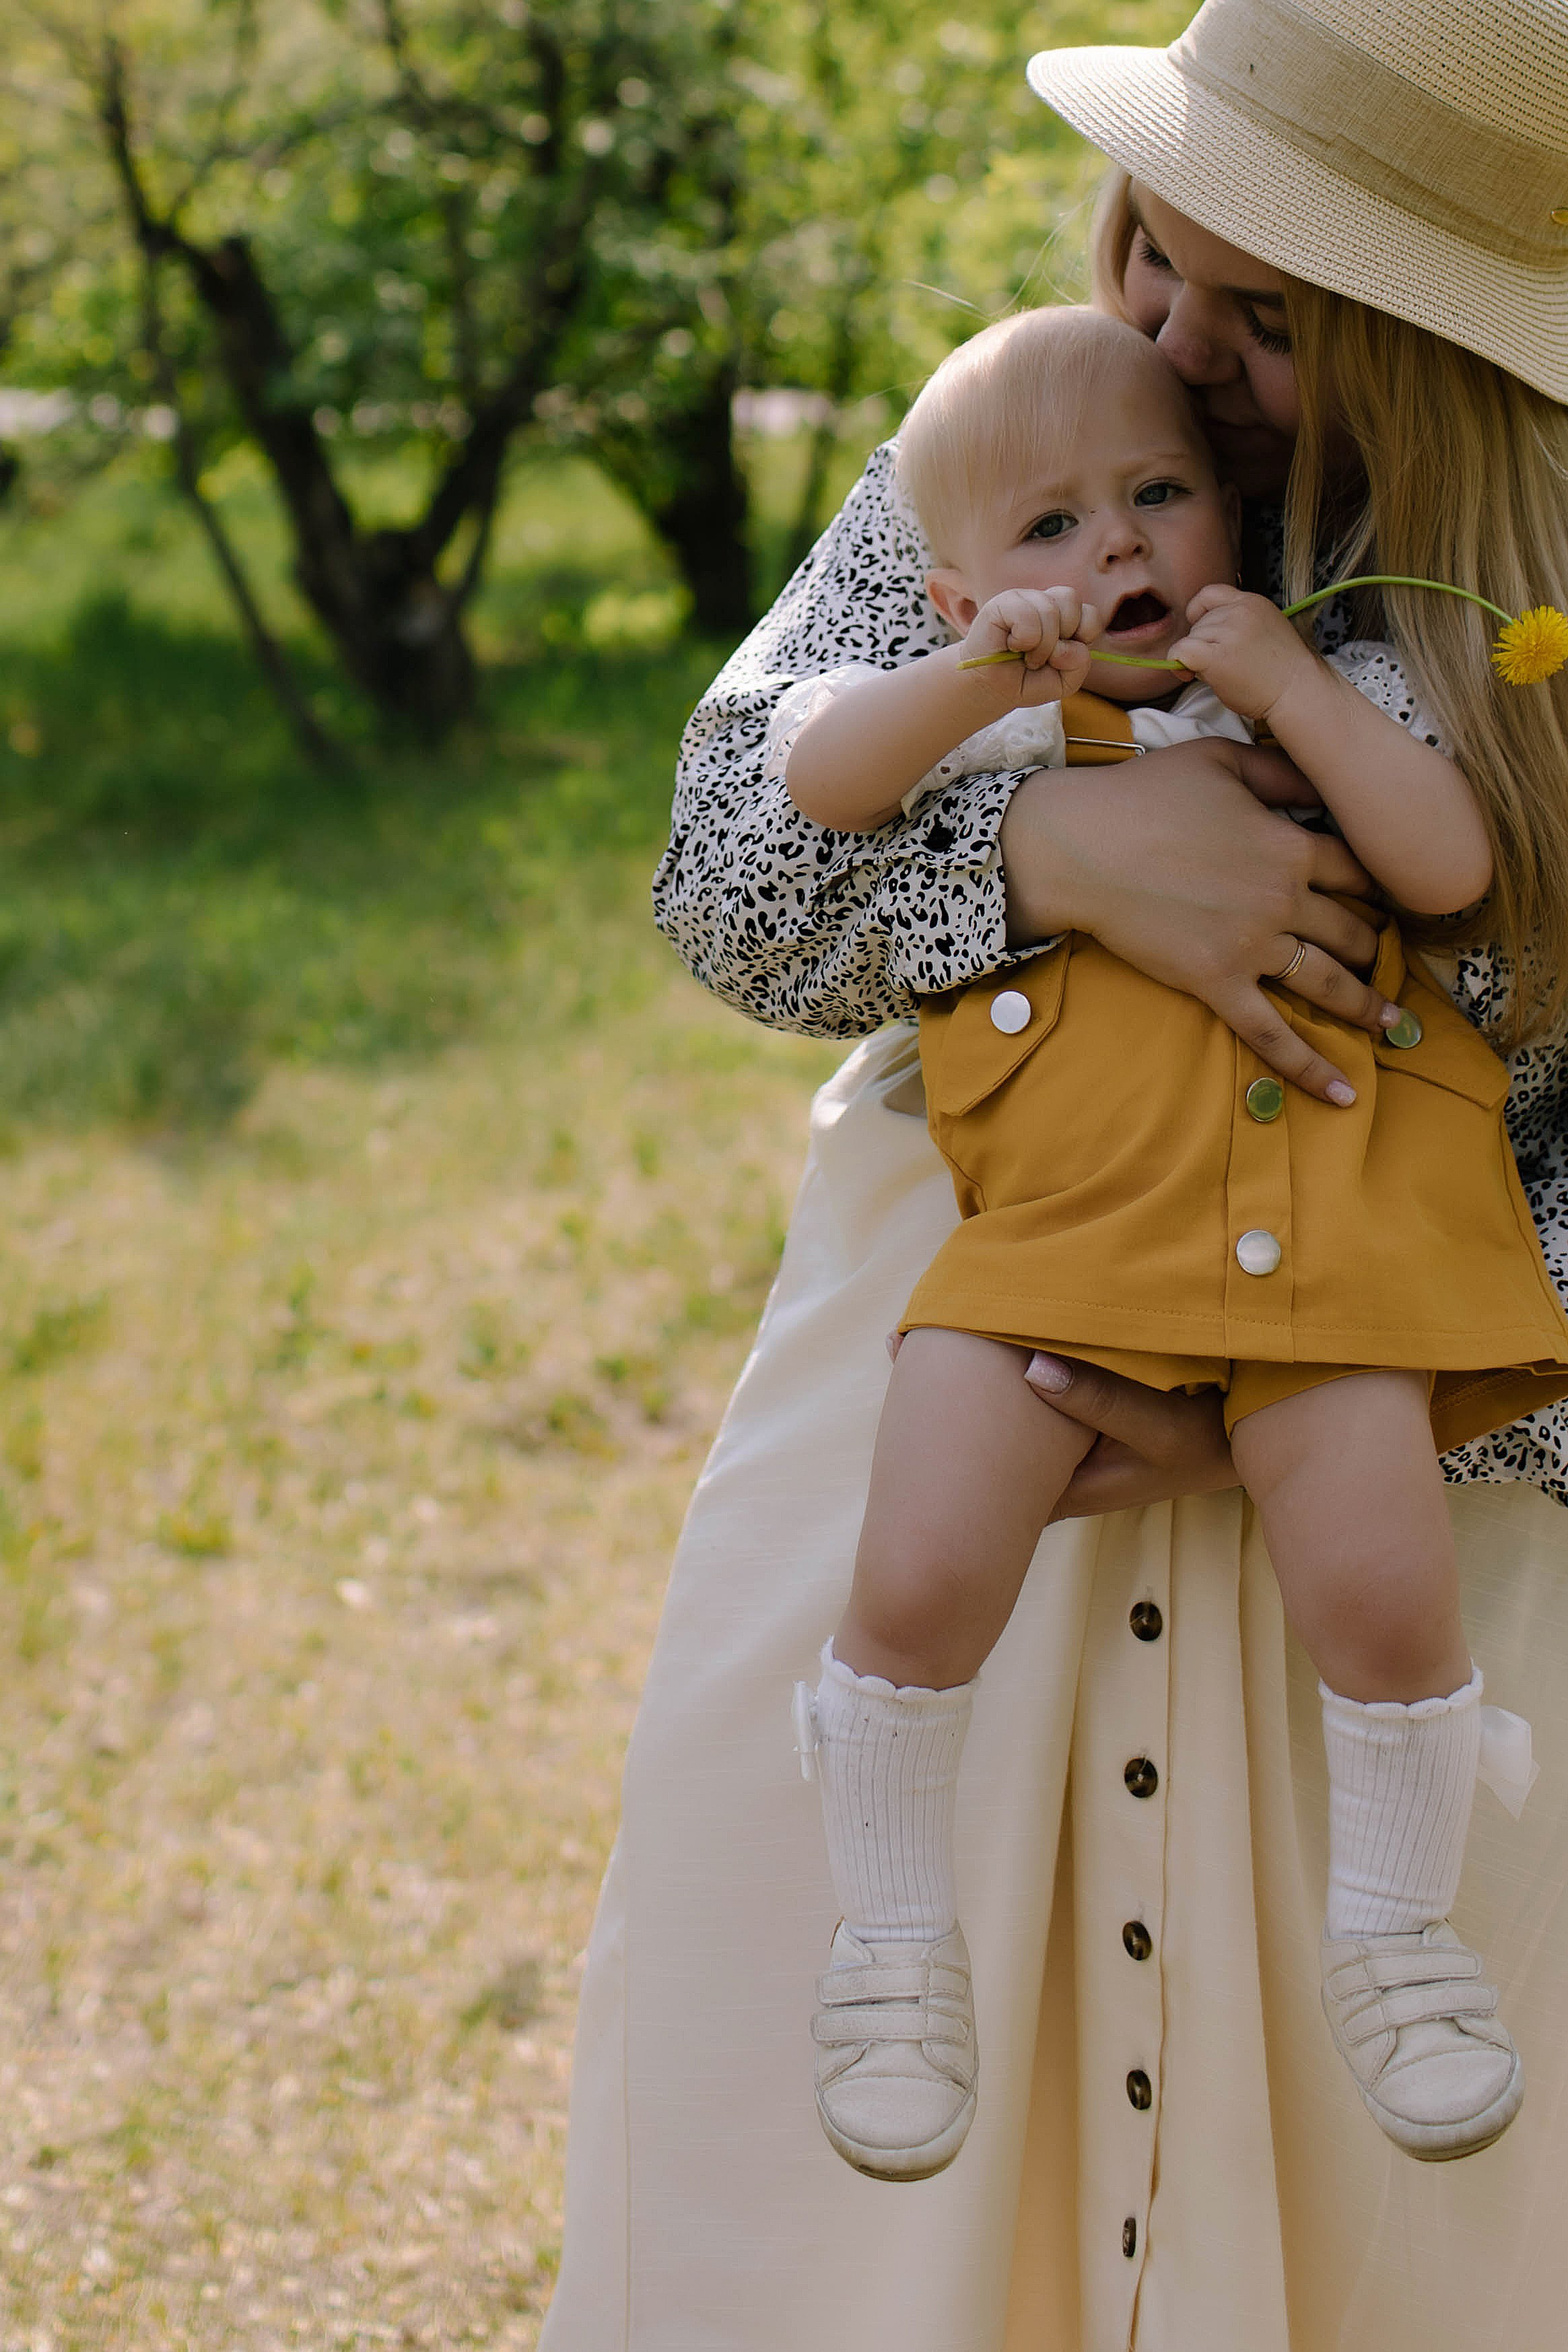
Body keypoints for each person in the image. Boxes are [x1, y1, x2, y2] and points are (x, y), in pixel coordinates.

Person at [539, 3, 1568, 2344]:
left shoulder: (1528, 615)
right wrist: (1049, 844)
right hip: (972, 1400)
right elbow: (725, 867)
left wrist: (1340, 1399)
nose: (1175, 351)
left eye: (1271, 315)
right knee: (852, 2171)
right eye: (1152, 253)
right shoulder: (1028, 432)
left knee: (1384, 2191)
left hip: (1393, 1513)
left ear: (1433, 339)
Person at [776, 302, 1568, 2180]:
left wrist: (1291, 689)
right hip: (1060, 1243)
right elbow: (807, 790)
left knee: (1381, 1601)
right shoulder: (981, 739)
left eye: (1153, 499)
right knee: (915, 1573)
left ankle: (1396, 1935)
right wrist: (977, 681)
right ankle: (890, 1941)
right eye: (1048, 531)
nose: (1113, 551)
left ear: (1233, 510)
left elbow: (1446, 868)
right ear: (954, 576)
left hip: (1330, 1255)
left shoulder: (1341, 688)